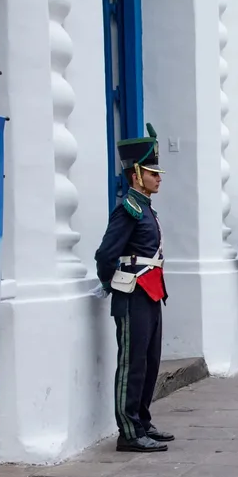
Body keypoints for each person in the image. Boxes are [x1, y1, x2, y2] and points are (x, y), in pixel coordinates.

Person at [94, 123, 173, 453]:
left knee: (151, 360)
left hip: (151, 293)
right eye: (153, 172)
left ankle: (141, 420)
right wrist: (114, 284)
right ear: (137, 174)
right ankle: (128, 431)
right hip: (132, 296)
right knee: (132, 362)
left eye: (158, 172)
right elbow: (105, 255)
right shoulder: (128, 210)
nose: (159, 177)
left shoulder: (146, 209)